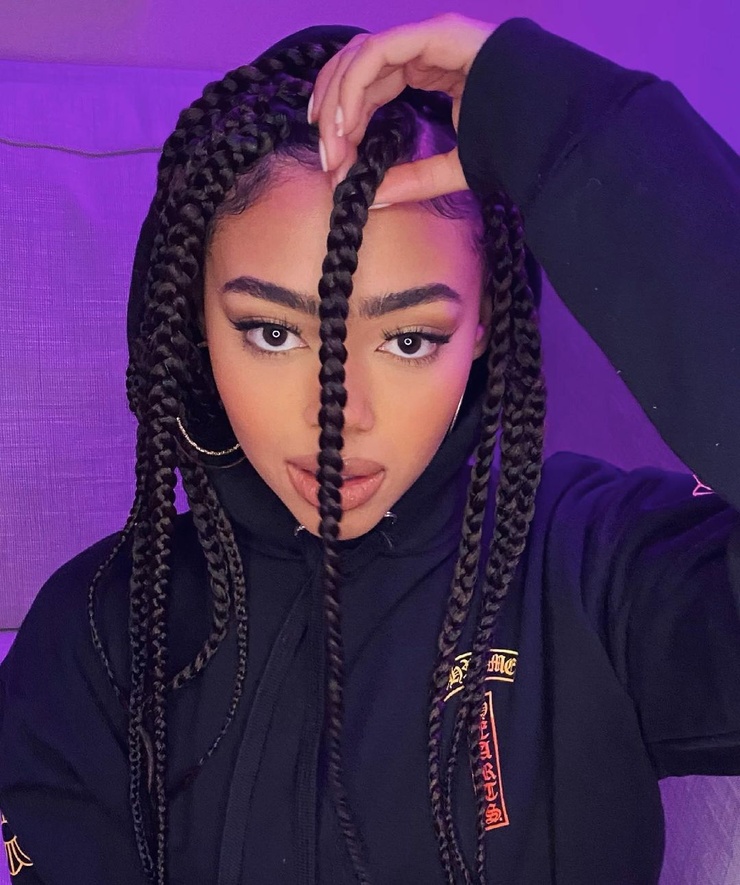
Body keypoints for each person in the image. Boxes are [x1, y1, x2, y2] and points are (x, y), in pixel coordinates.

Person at [1, 12, 739, 885]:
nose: (336, 414)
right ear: (195, 323)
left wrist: (566, 121)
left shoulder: (599, 566)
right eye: (273, 331)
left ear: (482, 327)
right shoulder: (94, 637)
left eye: (409, 339)